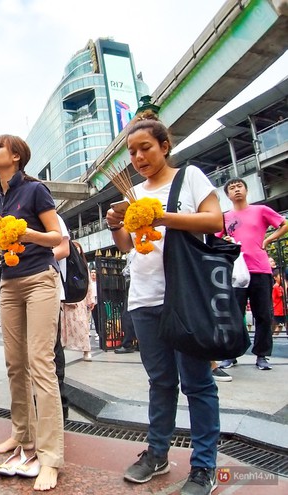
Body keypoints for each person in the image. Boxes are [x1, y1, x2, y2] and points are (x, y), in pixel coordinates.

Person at [106, 111, 223, 495]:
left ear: (164, 146)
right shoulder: (133, 194)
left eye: (146, 149)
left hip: (185, 295)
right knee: (160, 382)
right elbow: (128, 246)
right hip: (143, 297)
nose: (138, 158)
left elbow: (214, 221)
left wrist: (163, 216)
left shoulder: (189, 177)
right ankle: (157, 453)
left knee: (197, 383)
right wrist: (115, 225)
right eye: (132, 152)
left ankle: (203, 466)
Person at [0, 134, 63, 492]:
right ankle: (21, 437)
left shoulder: (35, 190)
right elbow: (5, 246)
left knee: (40, 364)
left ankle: (49, 458)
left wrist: (25, 232)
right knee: (15, 365)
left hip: (40, 280)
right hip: (10, 281)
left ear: (16, 156)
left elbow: (57, 238)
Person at [218, 178, 288, 371]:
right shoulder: (224, 218)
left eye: (239, 186)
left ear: (246, 190)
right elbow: (215, 241)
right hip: (236, 272)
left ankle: (262, 355)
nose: (236, 190)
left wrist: (267, 240)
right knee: (233, 315)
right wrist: (225, 241)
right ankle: (230, 354)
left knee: (263, 314)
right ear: (228, 195)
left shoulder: (261, 210)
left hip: (260, 269)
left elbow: (284, 224)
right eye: (231, 188)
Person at [61, 241, 94, 361]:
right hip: (64, 301)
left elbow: (88, 283)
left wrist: (90, 299)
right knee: (63, 329)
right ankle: (61, 349)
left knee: (81, 325)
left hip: (79, 299)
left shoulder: (83, 265)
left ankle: (86, 350)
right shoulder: (64, 263)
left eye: (77, 248)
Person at [52, 216, 72, 419]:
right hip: (23, 290)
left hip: (49, 290)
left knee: (51, 349)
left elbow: (64, 249)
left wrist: (34, 259)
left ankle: (60, 404)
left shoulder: (52, 215)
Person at [272, 268, 285, 336]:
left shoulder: (280, 286)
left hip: (281, 310)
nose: (282, 278)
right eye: (280, 276)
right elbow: (282, 295)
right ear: (275, 278)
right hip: (278, 310)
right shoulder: (276, 287)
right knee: (277, 326)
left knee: (279, 326)